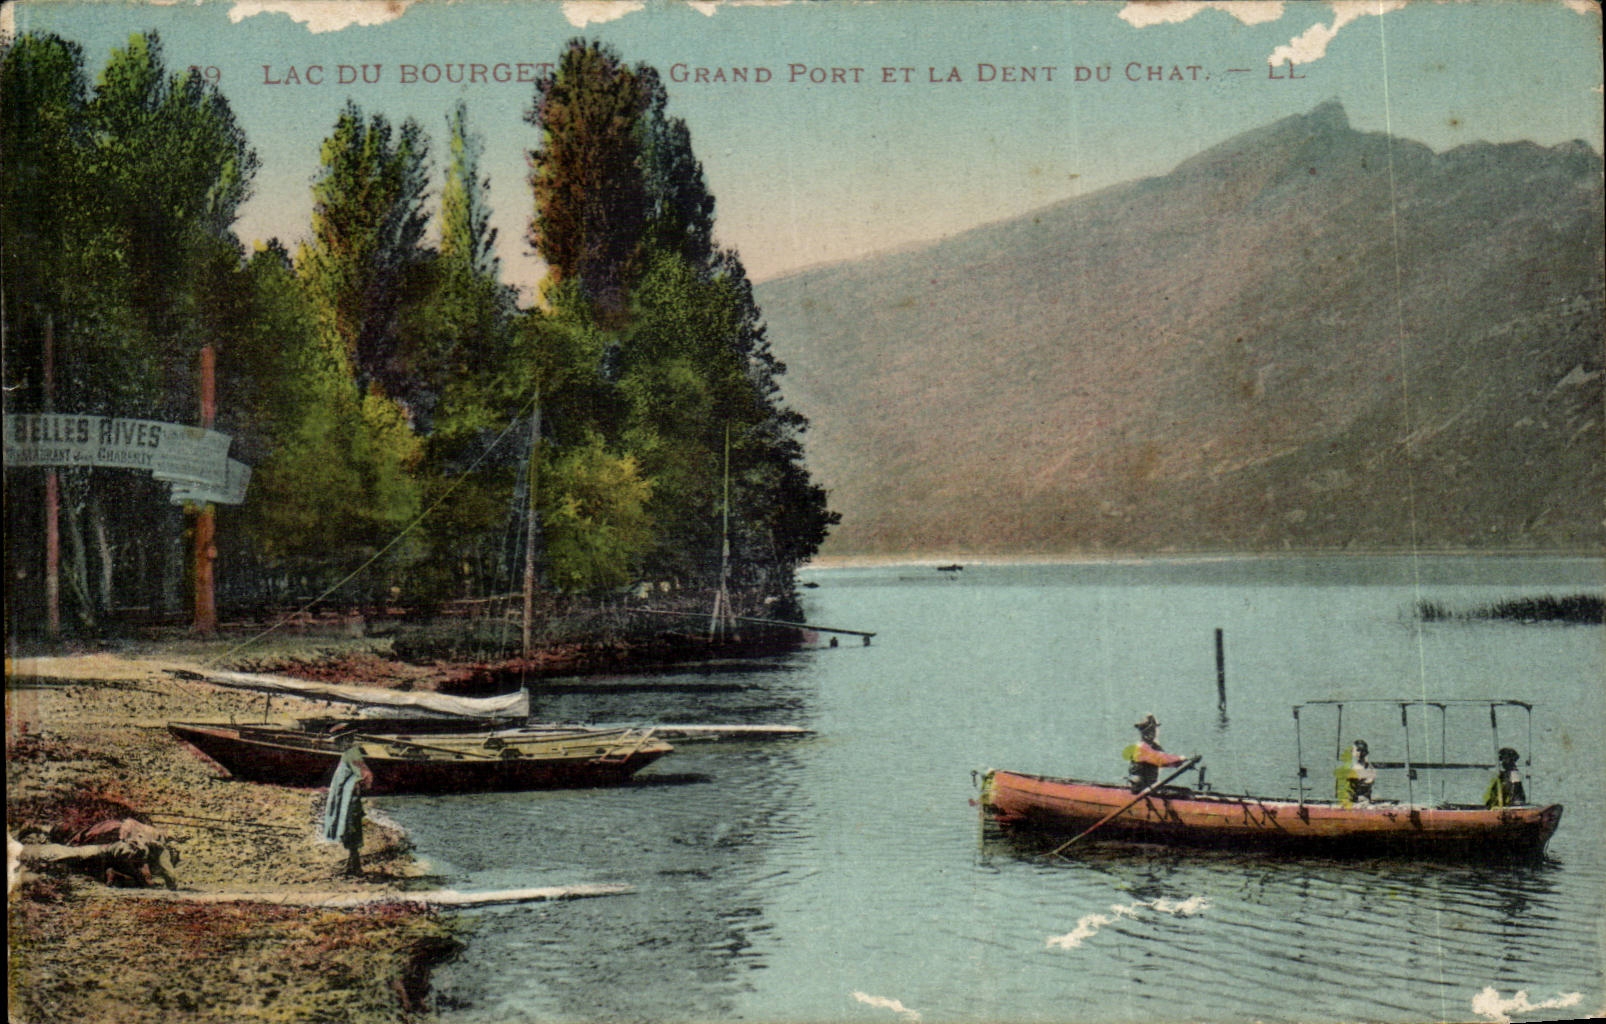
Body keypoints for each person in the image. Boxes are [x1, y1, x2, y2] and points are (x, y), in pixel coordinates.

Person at [322, 742, 372, 876]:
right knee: (348, 830)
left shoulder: (352, 753)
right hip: (346, 799)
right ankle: (352, 865)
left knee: (351, 830)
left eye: (339, 740)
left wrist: (356, 785)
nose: (336, 744)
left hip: (350, 801)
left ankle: (356, 867)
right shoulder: (348, 753)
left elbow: (367, 775)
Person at [1123, 713, 1188, 793]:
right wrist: (1179, 758)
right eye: (1147, 730)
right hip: (1139, 788)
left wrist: (1178, 763)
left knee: (1183, 792)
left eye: (1152, 730)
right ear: (1142, 732)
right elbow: (1159, 759)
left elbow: (1163, 761)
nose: (1151, 733)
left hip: (1150, 786)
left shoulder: (1155, 747)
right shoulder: (1140, 747)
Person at [1338, 739, 1377, 806]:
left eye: (1353, 750)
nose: (1351, 751)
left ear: (1359, 752)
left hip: (1360, 802)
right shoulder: (1370, 769)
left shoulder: (1356, 769)